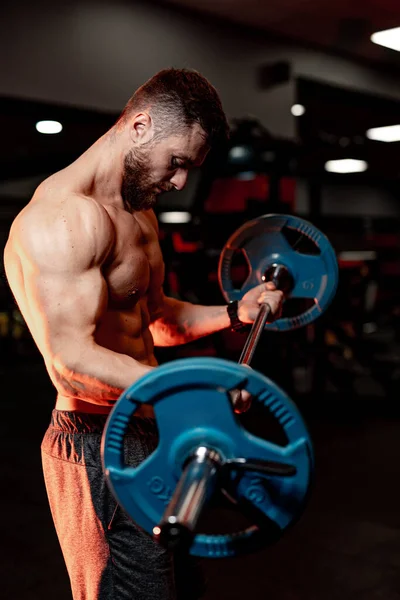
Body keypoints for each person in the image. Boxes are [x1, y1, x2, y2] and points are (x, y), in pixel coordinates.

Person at [4, 68, 284, 600]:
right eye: (177, 163)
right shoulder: (62, 220)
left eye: (189, 169)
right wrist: (193, 394)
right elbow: (70, 361)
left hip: (151, 423)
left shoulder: (139, 214)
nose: (181, 182)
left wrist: (233, 313)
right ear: (139, 126)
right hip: (95, 443)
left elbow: (157, 318)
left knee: (180, 588)